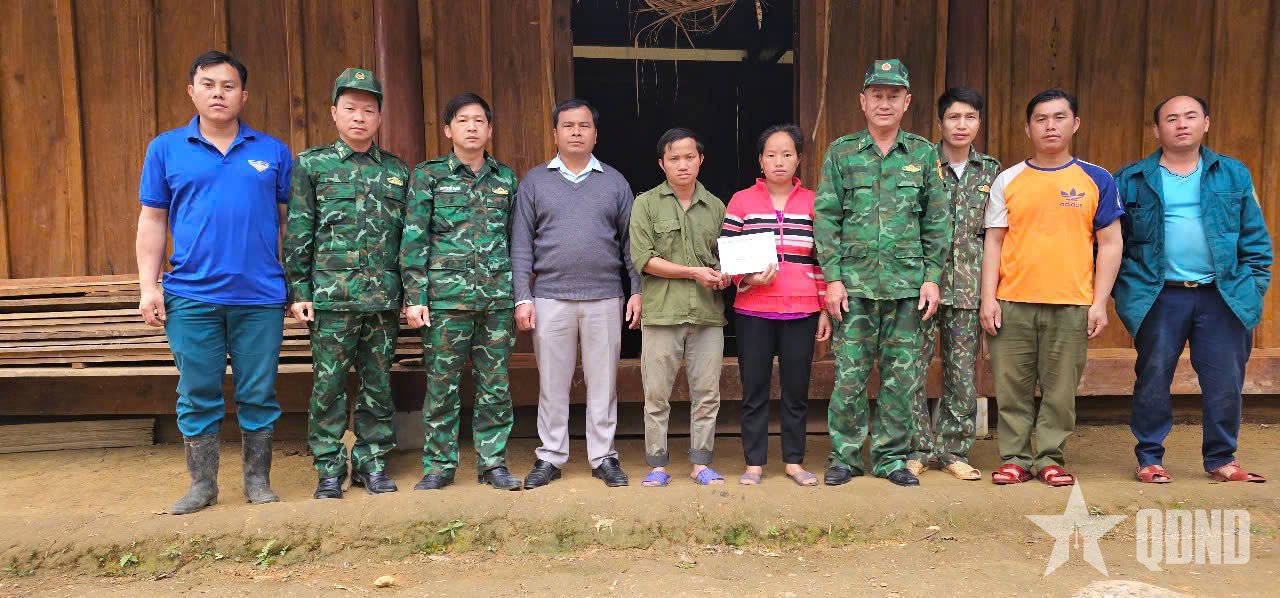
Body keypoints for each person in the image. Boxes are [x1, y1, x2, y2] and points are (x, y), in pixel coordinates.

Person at [136, 51, 293, 514]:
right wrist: (149, 286)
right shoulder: (166, 148)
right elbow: (152, 220)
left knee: (258, 391)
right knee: (197, 390)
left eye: (228, 86)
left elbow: (288, 225)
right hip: (191, 295)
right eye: (208, 84)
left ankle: (257, 481)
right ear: (192, 92)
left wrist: (293, 284)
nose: (218, 93)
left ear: (243, 95)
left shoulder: (272, 151)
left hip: (260, 297)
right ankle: (202, 484)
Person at [1113, 95, 1271, 484]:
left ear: (1206, 124)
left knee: (1225, 380)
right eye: (1171, 118)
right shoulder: (1131, 177)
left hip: (1223, 294)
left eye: (1190, 117)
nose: (1181, 124)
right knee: (1153, 376)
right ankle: (1149, 457)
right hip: (1159, 295)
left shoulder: (1233, 175)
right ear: (1156, 130)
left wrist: (1252, 286)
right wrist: (1125, 291)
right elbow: (1113, 243)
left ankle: (1221, 458)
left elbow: (1255, 240)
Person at [813, 59, 952, 488]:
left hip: (907, 288)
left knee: (901, 378)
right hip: (852, 288)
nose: (885, 102)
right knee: (850, 376)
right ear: (863, 101)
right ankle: (846, 456)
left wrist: (932, 277)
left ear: (907, 102)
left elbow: (937, 219)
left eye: (894, 95)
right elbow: (826, 217)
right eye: (877, 94)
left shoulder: (924, 153)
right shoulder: (841, 152)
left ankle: (891, 457)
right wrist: (832, 278)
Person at [981, 89, 1124, 487]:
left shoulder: (1096, 178)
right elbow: (993, 240)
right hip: (1013, 302)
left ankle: (1049, 458)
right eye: (1041, 119)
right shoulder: (1008, 179)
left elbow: (1110, 243)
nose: (1050, 126)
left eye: (1059, 118)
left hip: (1072, 303)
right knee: (1012, 388)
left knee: (1061, 390)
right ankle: (1014, 458)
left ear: (1075, 124)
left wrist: (1099, 303)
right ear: (1028, 128)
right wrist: (987, 298)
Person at [284, 68, 409, 499]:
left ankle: (373, 463)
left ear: (379, 118)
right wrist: (298, 290)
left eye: (369, 110)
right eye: (351, 108)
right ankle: (329, 469)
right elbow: (300, 230)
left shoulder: (396, 171)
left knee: (377, 384)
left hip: (382, 300)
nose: (360, 117)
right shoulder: (311, 164)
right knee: (329, 385)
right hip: (331, 299)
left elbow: (406, 241)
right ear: (334, 112)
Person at [512, 98, 643, 488]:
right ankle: (550, 456)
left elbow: (631, 244)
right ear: (555, 133)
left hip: (604, 296)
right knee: (552, 382)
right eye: (567, 126)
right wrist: (523, 295)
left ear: (595, 134)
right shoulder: (535, 181)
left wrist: (636, 290)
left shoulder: (614, 182)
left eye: (583, 126)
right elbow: (521, 243)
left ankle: (603, 456)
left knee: (604, 381)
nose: (575, 132)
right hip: (551, 296)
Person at [401, 92, 523, 491]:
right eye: (463, 120)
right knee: (441, 386)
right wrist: (415, 297)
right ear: (448, 129)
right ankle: (439, 465)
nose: (472, 128)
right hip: (445, 302)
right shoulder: (428, 175)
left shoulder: (506, 179)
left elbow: (514, 241)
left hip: (495, 301)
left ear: (490, 129)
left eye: (479, 121)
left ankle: (493, 464)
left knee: (495, 386)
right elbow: (414, 239)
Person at [722, 124, 830, 487]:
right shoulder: (741, 201)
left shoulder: (815, 203)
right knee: (754, 389)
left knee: (796, 389)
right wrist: (749, 279)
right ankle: (754, 463)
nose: (779, 161)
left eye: (787, 154)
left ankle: (794, 462)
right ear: (760, 160)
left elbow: (822, 259)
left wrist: (825, 308)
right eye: (771, 154)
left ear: (799, 159)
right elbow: (727, 253)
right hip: (753, 309)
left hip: (801, 310)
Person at [904, 89, 1001, 481]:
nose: (962, 125)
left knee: (962, 373)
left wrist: (989, 293)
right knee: (911, 368)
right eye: (954, 117)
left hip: (968, 287)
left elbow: (996, 234)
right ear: (940, 122)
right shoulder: (918, 165)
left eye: (970, 117)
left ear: (979, 122)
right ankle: (916, 448)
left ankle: (954, 450)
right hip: (921, 286)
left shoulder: (992, 172)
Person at [629, 128, 730, 487]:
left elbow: (726, 262)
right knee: (656, 395)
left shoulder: (717, 206)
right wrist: (693, 273)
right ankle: (657, 465)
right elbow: (643, 259)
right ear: (662, 163)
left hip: (707, 315)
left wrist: (724, 278)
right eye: (674, 158)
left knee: (707, 394)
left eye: (690, 157)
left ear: (701, 160)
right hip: (662, 314)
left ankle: (701, 463)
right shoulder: (645, 204)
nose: (683, 165)